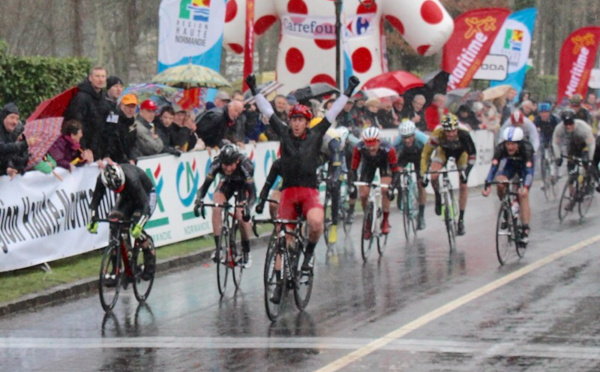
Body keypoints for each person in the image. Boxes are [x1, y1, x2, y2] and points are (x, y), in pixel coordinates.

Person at [247, 73, 360, 304]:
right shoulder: (284, 133)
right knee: (282, 238)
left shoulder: (317, 134)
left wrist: (348, 92)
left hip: (308, 192)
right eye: (293, 120)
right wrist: (254, 89)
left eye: (300, 120)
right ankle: (278, 282)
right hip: (288, 192)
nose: (296, 124)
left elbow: (333, 112)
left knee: (317, 223)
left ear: (307, 123)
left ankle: (308, 256)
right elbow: (268, 111)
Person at [86, 163, 157, 283]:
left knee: (135, 226)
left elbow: (145, 206)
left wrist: (139, 225)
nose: (115, 190)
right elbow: (95, 200)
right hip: (126, 197)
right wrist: (92, 219)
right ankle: (117, 269)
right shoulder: (101, 179)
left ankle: (148, 249)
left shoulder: (131, 178)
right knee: (114, 222)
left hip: (146, 196)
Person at [193, 144, 256, 267]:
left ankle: (247, 252)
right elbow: (204, 186)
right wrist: (198, 200)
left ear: (237, 161)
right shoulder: (216, 163)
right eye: (225, 165)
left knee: (241, 215)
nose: (227, 169)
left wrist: (248, 207)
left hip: (243, 186)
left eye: (230, 165)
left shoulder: (245, 165)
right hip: (227, 184)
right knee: (216, 207)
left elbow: (253, 193)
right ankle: (218, 249)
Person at [421, 114, 476, 236]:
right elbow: (425, 154)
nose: (451, 134)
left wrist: (466, 173)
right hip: (443, 151)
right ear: (444, 130)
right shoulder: (437, 134)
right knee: (434, 176)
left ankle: (461, 219)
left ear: (457, 129)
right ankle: (438, 197)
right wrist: (424, 174)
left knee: (463, 185)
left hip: (461, 153)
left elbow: (472, 155)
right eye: (448, 132)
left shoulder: (464, 135)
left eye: (453, 131)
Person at [482, 127, 534, 243]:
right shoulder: (500, 148)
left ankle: (525, 229)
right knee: (500, 183)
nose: (509, 147)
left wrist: (525, 187)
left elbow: (529, 172)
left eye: (513, 144)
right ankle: (506, 207)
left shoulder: (527, 149)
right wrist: (488, 185)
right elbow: (494, 168)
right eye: (508, 144)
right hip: (510, 166)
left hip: (524, 169)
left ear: (519, 143)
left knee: (522, 195)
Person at [348, 126, 400, 238]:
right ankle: (368, 221)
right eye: (368, 145)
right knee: (363, 194)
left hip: (384, 164)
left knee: (384, 189)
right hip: (368, 165)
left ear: (378, 141)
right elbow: (353, 168)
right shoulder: (359, 148)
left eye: (373, 145)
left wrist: (392, 187)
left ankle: (385, 220)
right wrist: (352, 184)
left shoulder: (388, 149)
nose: (371, 148)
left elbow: (395, 171)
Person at [553, 110, 596, 211]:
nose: (569, 127)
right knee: (571, 169)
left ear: (574, 121)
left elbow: (591, 145)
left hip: (586, 145)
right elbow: (555, 143)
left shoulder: (583, 128)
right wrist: (558, 157)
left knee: (586, 162)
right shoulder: (559, 129)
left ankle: (590, 180)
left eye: (571, 123)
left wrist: (590, 160)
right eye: (566, 124)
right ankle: (572, 197)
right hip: (573, 146)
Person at [64, 66, 110, 159]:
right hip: (82, 148)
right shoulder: (81, 98)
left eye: (103, 76)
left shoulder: (104, 98)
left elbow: (104, 127)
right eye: (97, 76)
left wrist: (105, 153)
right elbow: (76, 124)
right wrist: (83, 148)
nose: (100, 79)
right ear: (90, 78)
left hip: (97, 147)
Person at [310, 118, 343, 244]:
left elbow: (337, 164)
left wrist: (333, 179)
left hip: (336, 154)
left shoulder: (332, 140)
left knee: (334, 187)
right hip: (322, 153)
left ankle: (334, 224)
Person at [393, 120, 429, 230]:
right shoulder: (398, 140)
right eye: (404, 137)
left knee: (421, 185)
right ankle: (400, 192)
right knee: (396, 172)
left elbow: (429, 155)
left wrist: (425, 173)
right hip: (405, 155)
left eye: (409, 137)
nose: (407, 140)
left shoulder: (423, 139)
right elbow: (392, 156)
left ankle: (421, 216)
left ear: (414, 134)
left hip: (420, 157)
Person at [98, 93, 139, 164]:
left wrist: (133, 158)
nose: (131, 109)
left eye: (133, 107)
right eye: (128, 106)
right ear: (122, 105)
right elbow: (113, 141)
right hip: (115, 160)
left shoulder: (132, 123)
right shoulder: (114, 120)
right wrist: (126, 160)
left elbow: (133, 144)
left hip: (127, 161)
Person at [0, 103, 38, 178]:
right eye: (12, 117)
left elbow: (8, 154)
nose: (15, 122)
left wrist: (9, 167)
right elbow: (2, 148)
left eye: (17, 119)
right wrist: (25, 143)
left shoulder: (11, 132)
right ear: (3, 117)